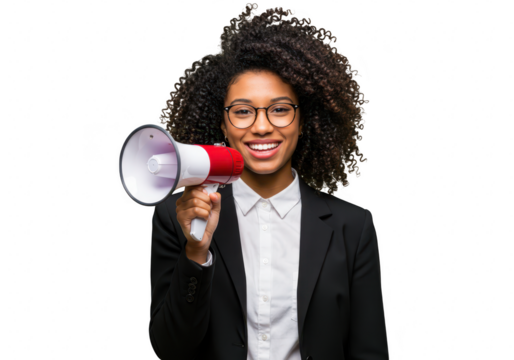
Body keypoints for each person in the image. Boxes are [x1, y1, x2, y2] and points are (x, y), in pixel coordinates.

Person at [150, 3, 388, 359]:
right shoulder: (178, 218)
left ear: (303, 121)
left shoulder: (352, 228)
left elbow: (369, 352)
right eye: (243, 111)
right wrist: (196, 252)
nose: (262, 126)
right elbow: (171, 348)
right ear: (223, 125)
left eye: (279, 109)